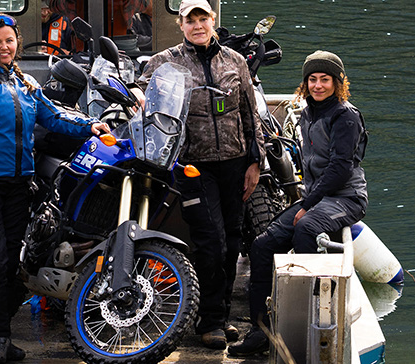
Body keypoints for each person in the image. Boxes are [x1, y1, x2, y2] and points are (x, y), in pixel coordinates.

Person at [0, 14, 110, 364]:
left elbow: (54, 116)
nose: (5, 47)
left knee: (13, 266)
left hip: (19, 185)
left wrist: (91, 125)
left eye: (10, 40)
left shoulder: (24, 83)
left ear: (17, 43)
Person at [137, 0, 265, 351]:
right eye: (189, 20)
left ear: (212, 21)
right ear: (180, 25)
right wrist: (139, 99)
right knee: (211, 242)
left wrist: (255, 162)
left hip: (236, 163)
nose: (197, 25)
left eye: (202, 18)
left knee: (233, 243)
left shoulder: (235, 61)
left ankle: (219, 317)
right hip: (193, 166)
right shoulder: (165, 62)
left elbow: (250, 115)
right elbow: (141, 91)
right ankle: (209, 322)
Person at [228, 50, 369, 356]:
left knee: (305, 228)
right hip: (317, 196)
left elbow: (340, 168)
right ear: (306, 83)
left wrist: (307, 205)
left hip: (346, 196)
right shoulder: (307, 112)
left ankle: (312, 323)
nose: (318, 85)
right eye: (312, 79)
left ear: (337, 82)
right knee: (263, 245)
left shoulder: (346, 116)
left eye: (325, 79)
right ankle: (260, 332)